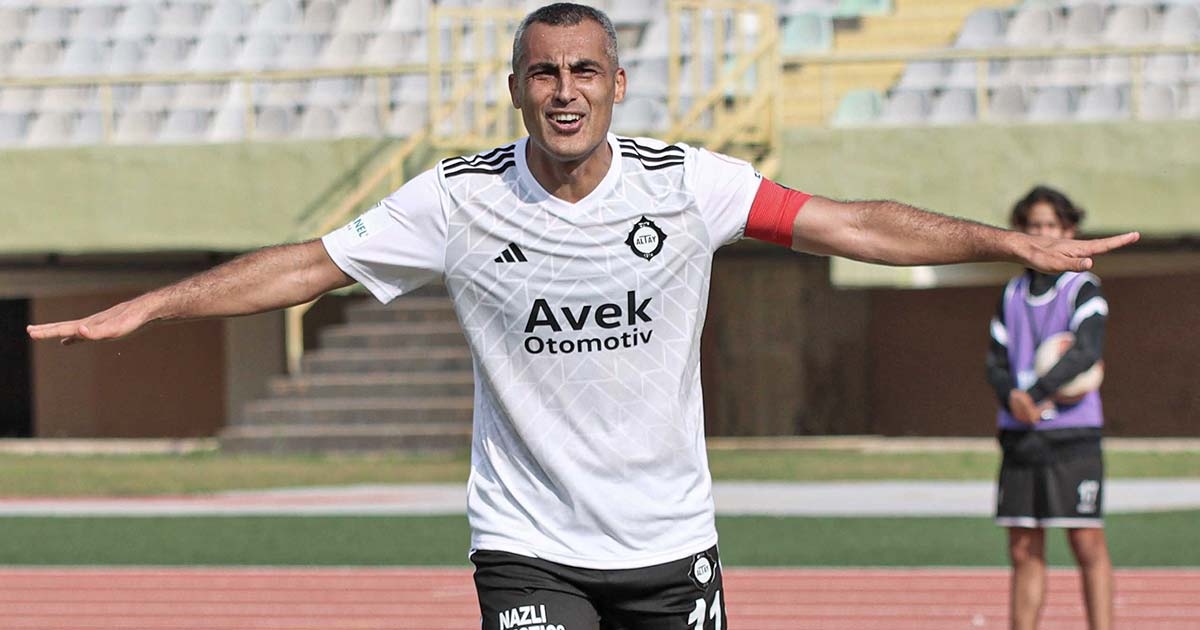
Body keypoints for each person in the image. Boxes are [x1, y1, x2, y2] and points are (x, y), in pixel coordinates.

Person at [29, 5, 1137, 629]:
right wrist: (152, 306)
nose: (565, 90)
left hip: (669, 542)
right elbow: (308, 267)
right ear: (517, 88)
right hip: (528, 548)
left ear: (616, 84)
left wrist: (1008, 243)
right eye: (544, 73)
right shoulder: (456, 199)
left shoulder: (688, 183)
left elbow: (853, 224)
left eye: (585, 71)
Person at [985, 185, 1114, 630]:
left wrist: (1036, 393)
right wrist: (1012, 398)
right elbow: (995, 363)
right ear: (1022, 231)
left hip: (1073, 435)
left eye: (1051, 225)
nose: (1042, 233)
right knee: (1023, 548)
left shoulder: (1083, 289)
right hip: (1020, 435)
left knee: (1087, 542)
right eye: (1034, 225)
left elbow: (1086, 351)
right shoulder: (1011, 293)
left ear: (1069, 231)